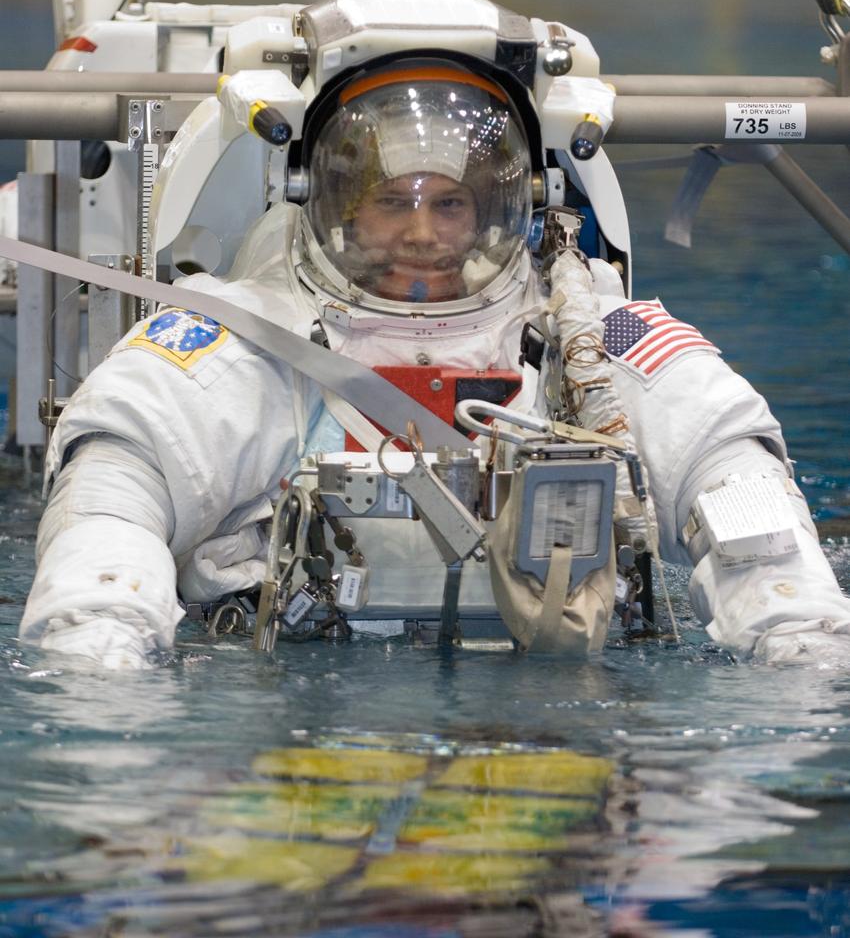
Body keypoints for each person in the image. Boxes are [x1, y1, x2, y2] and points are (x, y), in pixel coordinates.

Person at [19, 52, 850, 669]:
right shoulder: (246, 333)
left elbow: (735, 478)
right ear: (335, 206)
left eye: (450, 203)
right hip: (296, 731)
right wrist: (103, 661)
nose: (421, 233)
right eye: (392, 202)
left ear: (500, 206)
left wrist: (799, 642)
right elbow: (111, 507)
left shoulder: (598, 330)